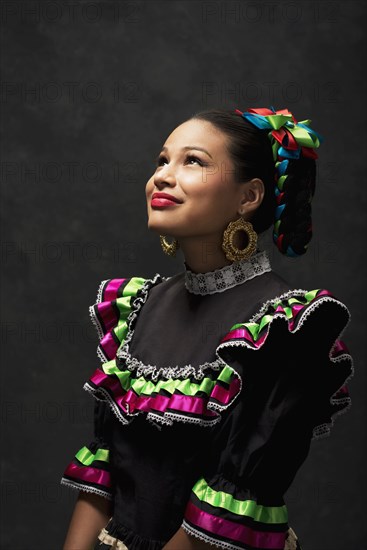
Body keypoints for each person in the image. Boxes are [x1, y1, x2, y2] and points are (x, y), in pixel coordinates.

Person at [61, 107, 353, 550]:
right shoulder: (136, 307)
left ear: (248, 197)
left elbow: (234, 499)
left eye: (192, 161)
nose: (162, 176)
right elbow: (105, 467)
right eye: (162, 160)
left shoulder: (284, 327)